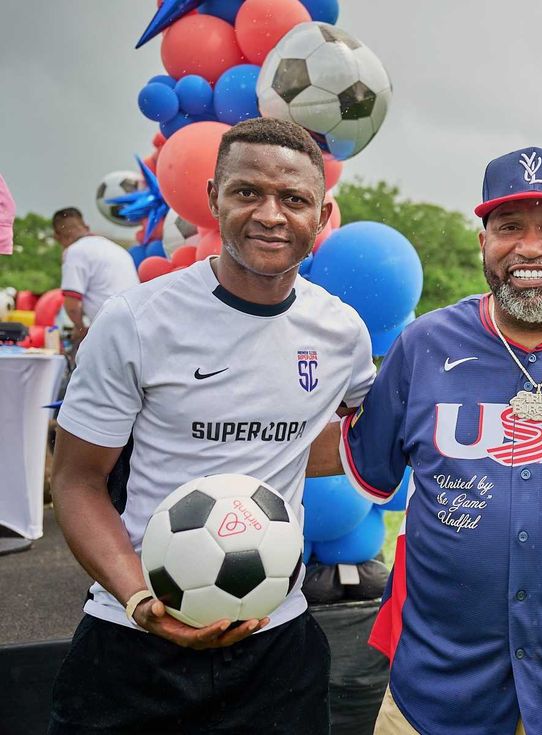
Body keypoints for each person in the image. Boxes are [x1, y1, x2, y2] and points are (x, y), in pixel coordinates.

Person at [48, 117, 376, 734]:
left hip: (277, 650)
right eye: (247, 192)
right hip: (134, 645)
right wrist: (140, 599)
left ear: (322, 215)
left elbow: (369, 436)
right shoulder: (137, 321)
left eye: (294, 199)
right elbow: (77, 480)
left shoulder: (341, 333)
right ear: (212, 200)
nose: (270, 215)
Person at [335, 147, 542, 735]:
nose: (531, 247)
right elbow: (364, 465)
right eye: (509, 227)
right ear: (483, 239)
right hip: (436, 690)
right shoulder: (425, 344)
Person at [51, 206, 139, 346]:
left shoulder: (75, 251)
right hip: (136, 326)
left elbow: (72, 305)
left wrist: (80, 329)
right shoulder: (117, 249)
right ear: (86, 227)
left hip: (110, 329)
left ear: (58, 236)